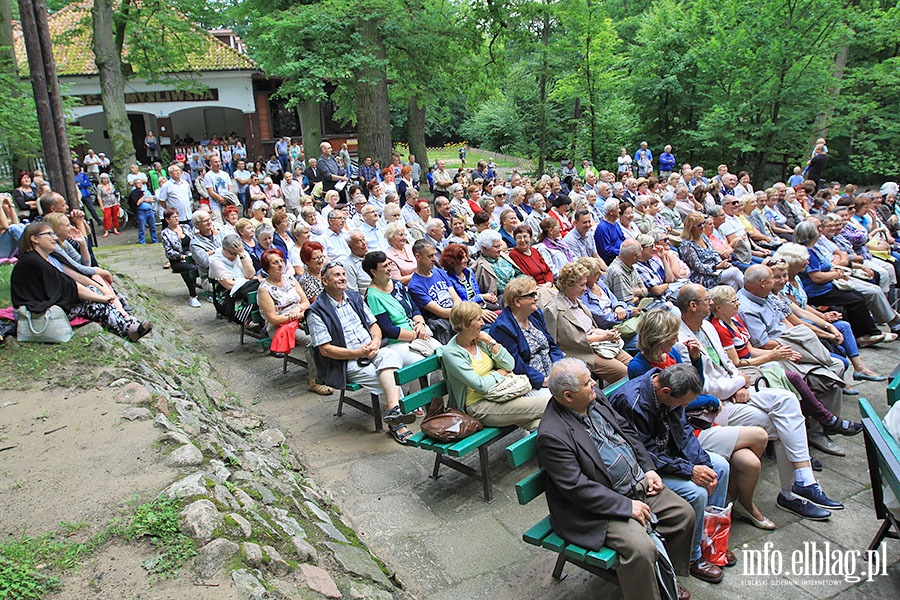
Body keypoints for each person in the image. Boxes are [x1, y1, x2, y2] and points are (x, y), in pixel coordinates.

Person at [675, 284, 842, 520]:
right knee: (785, 424)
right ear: (693, 306)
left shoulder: (708, 328)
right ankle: (792, 493)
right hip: (711, 409)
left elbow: (727, 364)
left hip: (734, 391)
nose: (710, 304)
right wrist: (738, 383)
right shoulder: (682, 341)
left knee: (787, 401)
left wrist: (741, 383)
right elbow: (701, 388)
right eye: (706, 300)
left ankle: (804, 481)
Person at [537, 358, 695, 600]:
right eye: (587, 383)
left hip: (635, 483)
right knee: (641, 549)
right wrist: (626, 506)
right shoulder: (553, 434)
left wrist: (648, 468)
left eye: (591, 379)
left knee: (683, 514)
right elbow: (577, 488)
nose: (594, 384)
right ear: (568, 396)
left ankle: (664, 576)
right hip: (597, 507)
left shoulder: (593, 397)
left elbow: (626, 431)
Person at [609, 364, 731, 583]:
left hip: (670, 457)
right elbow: (643, 454)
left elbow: (683, 432)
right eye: (683, 403)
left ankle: (710, 538)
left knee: (720, 467)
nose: (684, 407)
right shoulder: (632, 403)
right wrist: (690, 470)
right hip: (646, 468)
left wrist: (702, 464)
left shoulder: (670, 392)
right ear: (665, 392)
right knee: (697, 493)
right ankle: (694, 557)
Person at [307, 261, 414, 444]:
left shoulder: (354, 297)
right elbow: (325, 350)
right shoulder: (317, 311)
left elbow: (374, 325)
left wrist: (376, 342)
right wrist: (357, 352)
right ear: (324, 281)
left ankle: (392, 410)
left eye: (343, 274)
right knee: (388, 378)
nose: (342, 278)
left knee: (392, 356)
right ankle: (396, 421)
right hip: (345, 361)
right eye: (336, 275)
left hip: (370, 349)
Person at [11, 222, 152, 341]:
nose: (54, 238)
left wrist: (100, 293)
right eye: (49, 234)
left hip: (51, 301)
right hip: (39, 308)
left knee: (94, 293)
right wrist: (102, 298)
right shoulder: (33, 262)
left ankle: (128, 324)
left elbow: (73, 278)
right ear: (34, 239)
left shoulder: (45, 259)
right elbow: (70, 286)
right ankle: (126, 329)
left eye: (54, 234)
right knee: (94, 303)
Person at [442, 302, 549, 431]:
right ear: (465, 325)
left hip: (500, 394)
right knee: (550, 404)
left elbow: (510, 364)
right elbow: (480, 385)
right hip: (478, 405)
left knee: (540, 424)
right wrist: (501, 373)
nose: (483, 323)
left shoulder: (480, 340)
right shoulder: (452, 353)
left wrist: (490, 341)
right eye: (478, 319)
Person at [257, 248, 332, 396]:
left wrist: (298, 309)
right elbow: (273, 318)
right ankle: (314, 381)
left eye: (281, 261)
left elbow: (305, 302)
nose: (280, 265)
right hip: (280, 327)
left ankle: (333, 368)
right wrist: (294, 316)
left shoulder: (291, 279)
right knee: (313, 341)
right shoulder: (264, 290)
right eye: (274, 263)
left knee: (330, 328)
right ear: (267, 267)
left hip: (299, 317)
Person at [543, 262, 631, 384]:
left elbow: (591, 327)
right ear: (569, 285)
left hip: (600, 345)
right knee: (624, 373)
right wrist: (603, 337)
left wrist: (608, 334)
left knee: (633, 366)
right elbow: (569, 341)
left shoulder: (577, 302)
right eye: (582, 285)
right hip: (580, 352)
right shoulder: (553, 310)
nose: (585, 288)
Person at [489, 276, 561, 395]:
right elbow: (515, 364)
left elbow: (551, 344)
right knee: (565, 400)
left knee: (582, 383)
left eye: (536, 293)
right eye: (531, 295)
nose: (536, 298)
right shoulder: (503, 327)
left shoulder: (535, 314)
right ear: (517, 301)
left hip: (553, 374)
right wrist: (543, 381)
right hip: (530, 383)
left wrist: (560, 366)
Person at [363, 250, 434, 367]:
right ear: (373, 272)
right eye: (385, 266)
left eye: (389, 264)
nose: (389, 268)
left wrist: (420, 324)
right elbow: (388, 329)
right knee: (422, 363)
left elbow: (413, 307)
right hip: (397, 342)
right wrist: (415, 335)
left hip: (417, 332)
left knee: (441, 352)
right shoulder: (372, 296)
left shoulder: (396, 283)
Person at [679, 213, 743, 290]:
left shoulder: (703, 237)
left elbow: (714, 253)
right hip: (702, 277)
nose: (702, 226)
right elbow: (698, 267)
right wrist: (716, 267)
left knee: (732, 282)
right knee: (735, 271)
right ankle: (752, 290)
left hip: (716, 271)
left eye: (703, 223)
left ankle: (734, 300)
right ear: (691, 228)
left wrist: (722, 264)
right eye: (699, 225)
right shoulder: (687, 245)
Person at [440, 242, 499, 312]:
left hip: (480, 304)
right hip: (468, 310)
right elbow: (462, 304)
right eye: (462, 258)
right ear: (453, 261)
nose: (466, 260)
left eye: (466, 256)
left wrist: (487, 297)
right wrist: (482, 296)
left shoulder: (469, 272)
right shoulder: (449, 279)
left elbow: (477, 292)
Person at [160, 208, 200, 307]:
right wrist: (181, 256)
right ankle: (192, 295)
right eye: (173, 217)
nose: (176, 219)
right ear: (167, 219)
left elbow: (195, 240)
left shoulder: (185, 227)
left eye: (177, 216)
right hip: (177, 260)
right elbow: (169, 251)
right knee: (190, 269)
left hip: (192, 256)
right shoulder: (165, 233)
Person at [472, 230, 522, 304]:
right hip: (508, 298)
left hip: (521, 287)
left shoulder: (502, 255)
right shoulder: (479, 266)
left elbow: (518, 272)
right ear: (484, 248)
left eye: (500, 246)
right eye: (496, 247)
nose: (500, 249)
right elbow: (501, 288)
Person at [189, 210, 222, 291]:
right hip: (210, 279)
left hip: (229, 272)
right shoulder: (195, 243)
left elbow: (232, 252)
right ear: (197, 225)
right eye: (205, 221)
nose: (209, 222)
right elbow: (206, 262)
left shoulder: (219, 234)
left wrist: (212, 253)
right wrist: (221, 252)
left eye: (209, 219)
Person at [128, 180, 158, 244]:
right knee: (142, 228)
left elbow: (151, 200)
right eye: (138, 183)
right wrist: (143, 196)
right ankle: (142, 241)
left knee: (152, 227)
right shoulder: (134, 193)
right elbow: (137, 203)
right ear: (135, 185)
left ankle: (155, 240)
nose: (140, 184)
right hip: (141, 212)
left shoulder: (147, 191)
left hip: (150, 211)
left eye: (141, 183)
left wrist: (143, 200)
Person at [97, 173, 120, 237]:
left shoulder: (111, 185)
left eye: (106, 178)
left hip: (114, 202)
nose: (105, 180)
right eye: (103, 179)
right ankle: (106, 230)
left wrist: (117, 201)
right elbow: (99, 197)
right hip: (106, 204)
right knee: (106, 217)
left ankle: (115, 228)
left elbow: (115, 193)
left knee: (115, 216)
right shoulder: (99, 186)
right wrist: (101, 206)